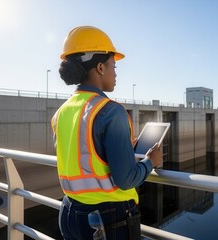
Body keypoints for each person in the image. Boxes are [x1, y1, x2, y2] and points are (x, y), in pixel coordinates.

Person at [51, 26, 162, 240]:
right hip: (107, 220)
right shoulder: (110, 111)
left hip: (69, 213)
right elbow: (126, 179)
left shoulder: (61, 112)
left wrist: (123, 151)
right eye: (114, 65)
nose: (116, 72)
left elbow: (84, 156)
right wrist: (150, 161)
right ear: (100, 67)